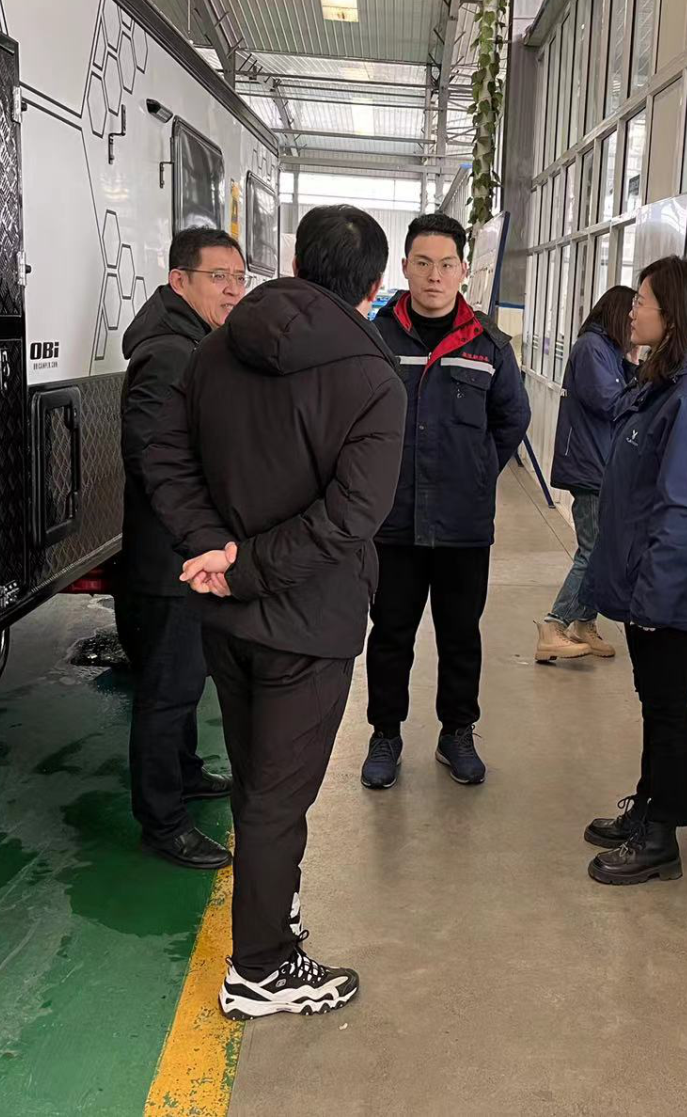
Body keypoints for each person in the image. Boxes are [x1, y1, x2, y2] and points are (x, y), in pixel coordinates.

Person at [143, 205, 405, 1020]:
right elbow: (350, 519)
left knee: (258, 783)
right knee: (275, 801)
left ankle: (271, 912)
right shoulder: (374, 382)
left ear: (293, 260)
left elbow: (165, 453)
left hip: (226, 619)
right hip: (307, 625)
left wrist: (211, 548)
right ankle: (261, 968)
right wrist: (247, 569)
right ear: (373, 285)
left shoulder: (217, 348)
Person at [361, 213, 531, 790]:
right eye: (423, 263)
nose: (435, 276)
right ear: (405, 267)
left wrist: (477, 472)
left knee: (461, 635)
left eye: (446, 264)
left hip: (462, 524)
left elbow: (511, 419)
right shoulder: (376, 339)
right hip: (393, 521)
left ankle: (457, 732)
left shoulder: (488, 344)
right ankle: (385, 734)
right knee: (390, 635)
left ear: (463, 270)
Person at [582, 256, 687, 886]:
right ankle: (647, 805)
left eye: (642, 300)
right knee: (654, 700)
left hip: (663, 585)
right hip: (647, 577)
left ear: (671, 314)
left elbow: (686, 506)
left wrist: (656, 595)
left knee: (667, 705)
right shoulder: (662, 381)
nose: (632, 310)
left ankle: (662, 837)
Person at [116, 227, 249, 870]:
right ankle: (163, 821)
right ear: (179, 281)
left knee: (187, 681)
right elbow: (154, 462)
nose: (232, 289)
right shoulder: (170, 354)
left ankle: (188, 772)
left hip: (184, 555)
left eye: (239, 277)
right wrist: (201, 542)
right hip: (170, 562)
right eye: (218, 277)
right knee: (166, 694)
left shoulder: (194, 341)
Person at [534, 284, 638, 663]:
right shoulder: (592, 348)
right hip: (590, 465)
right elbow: (612, 402)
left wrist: (633, 362)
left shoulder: (607, 350)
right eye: (632, 315)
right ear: (618, 314)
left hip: (598, 463)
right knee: (593, 551)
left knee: (600, 549)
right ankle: (554, 623)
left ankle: (583, 623)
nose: (635, 323)